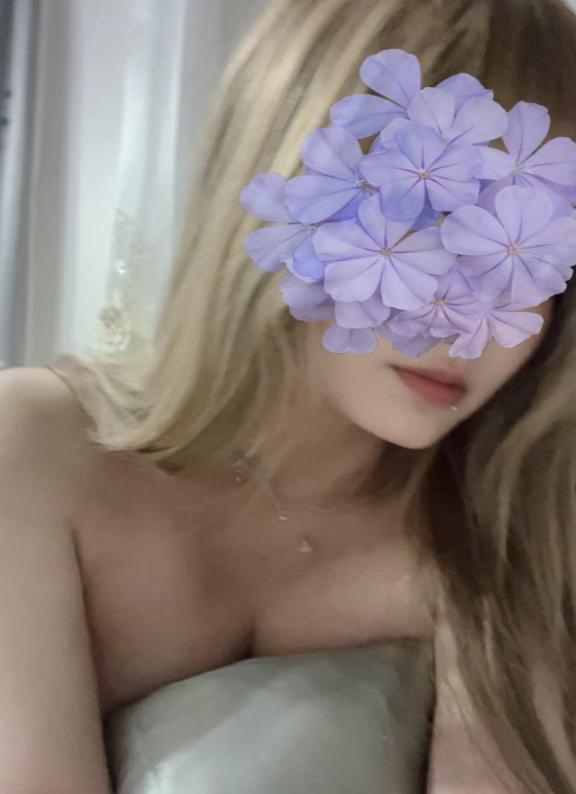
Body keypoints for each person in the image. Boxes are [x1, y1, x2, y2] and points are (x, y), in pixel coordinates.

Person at [1, 0, 576, 791]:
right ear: (292, 175)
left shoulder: (502, 535)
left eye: (527, 256)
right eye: (428, 220)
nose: (465, 322)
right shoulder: (33, 451)